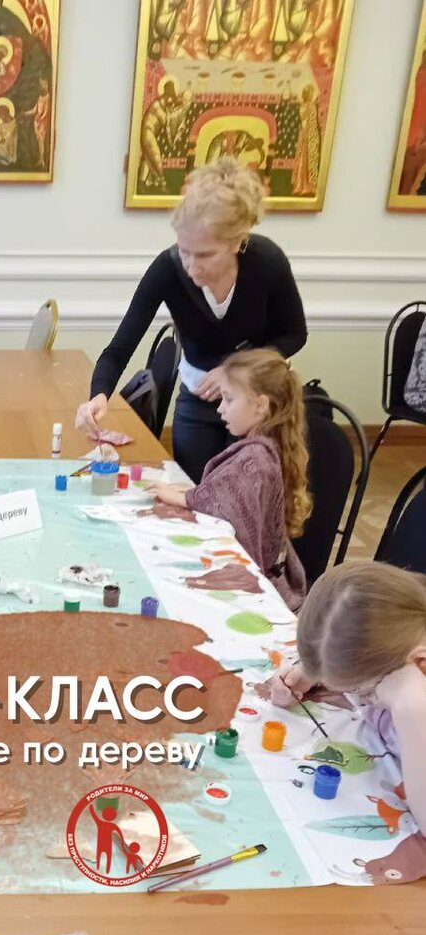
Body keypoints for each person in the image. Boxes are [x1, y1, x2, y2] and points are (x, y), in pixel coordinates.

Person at [77, 157, 307, 483]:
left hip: (256, 406)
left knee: (246, 494)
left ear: (237, 241)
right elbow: (120, 346)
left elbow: (295, 334)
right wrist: (99, 395)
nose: (191, 266)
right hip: (197, 402)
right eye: (184, 251)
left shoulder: (267, 262)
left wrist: (232, 370)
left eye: (205, 255)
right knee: (193, 490)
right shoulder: (168, 268)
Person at [147, 348, 310, 611]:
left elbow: (226, 500)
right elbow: (227, 492)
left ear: (260, 406)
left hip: (260, 593)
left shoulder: (254, 460)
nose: (220, 408)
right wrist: (191, 494)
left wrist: (185, 497)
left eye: (229, 399)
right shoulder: (271, 446)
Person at [271, 562, 426, 833]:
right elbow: (341, 634)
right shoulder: (399, 640)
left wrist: (411, 706)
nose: (360, 699)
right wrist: (313, 669)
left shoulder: (413, 702)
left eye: (362, 691)